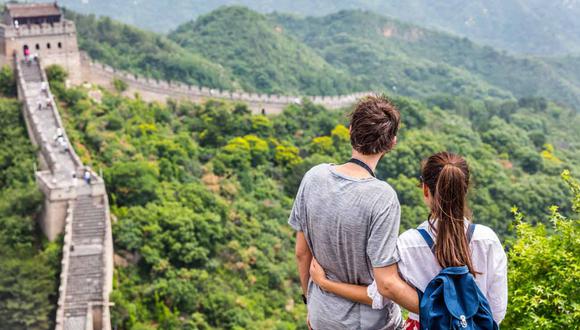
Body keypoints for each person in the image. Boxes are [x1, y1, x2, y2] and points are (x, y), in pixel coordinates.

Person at [309, 152, 508, 329]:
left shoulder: (407, 245)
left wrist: (325, 283)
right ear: (464, 191)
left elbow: (378, 295)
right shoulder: (488, 240)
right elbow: (496, 311)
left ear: (425, 190)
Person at [289, 95, 418, 330]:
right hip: (368, 324)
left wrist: (311, 301)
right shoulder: (382, 198)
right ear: (392, 143)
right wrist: (437, 307)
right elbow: (385, 286)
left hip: (320, 317)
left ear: (350, 131)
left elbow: (301, 253)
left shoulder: (313, 177)